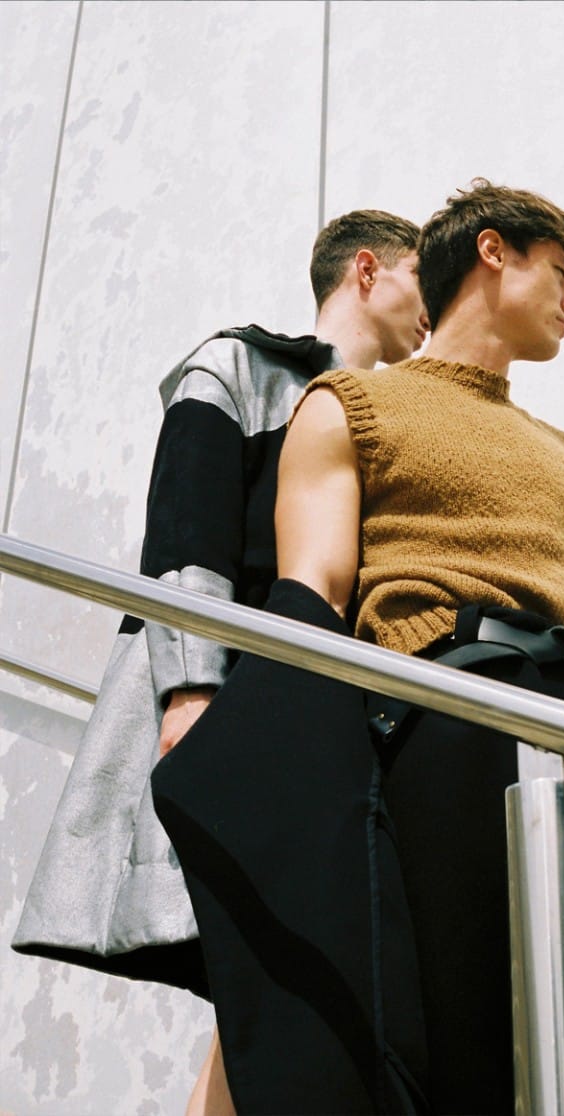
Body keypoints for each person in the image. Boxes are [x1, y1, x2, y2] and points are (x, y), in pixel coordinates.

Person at [152, 180, 564, 1114]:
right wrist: (216, 723)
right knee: (465, 1033)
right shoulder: (348, 402)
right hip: (443, 714)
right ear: (492, 250)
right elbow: (312, 595)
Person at [13, 208, 429, 1115]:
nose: (432, 306)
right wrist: (193, 690)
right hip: (248, 697)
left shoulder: (404, 417)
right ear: (366, 270)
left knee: (285, 981)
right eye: (419, 277)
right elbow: (187, 536)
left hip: (345, 717)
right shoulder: (239, 367)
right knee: (264, 968)